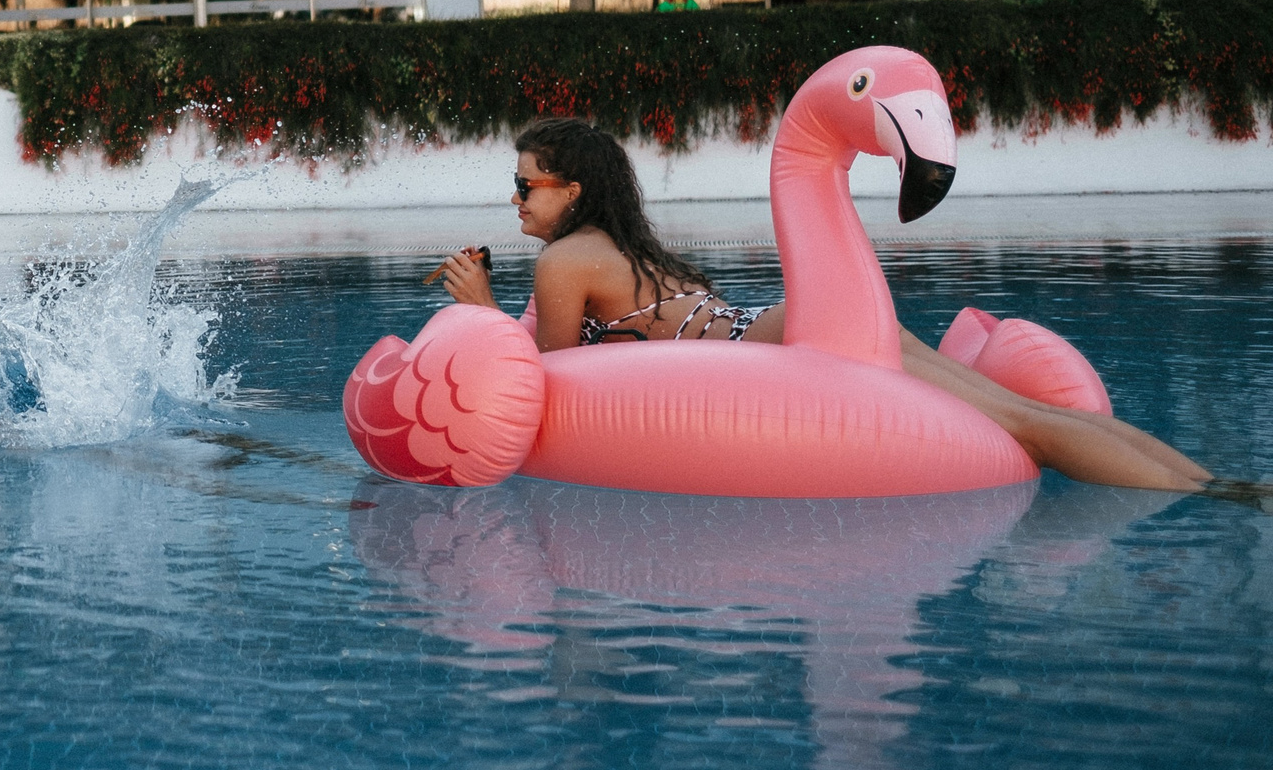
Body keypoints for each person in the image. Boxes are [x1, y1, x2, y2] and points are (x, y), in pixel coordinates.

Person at [424, 115, 1217, 495]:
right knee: (1020, 413)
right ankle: (1212, 485)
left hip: (783, 342)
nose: (516, 199)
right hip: (802, 313)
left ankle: (1198, 498)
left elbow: (552, 386)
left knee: (1025, 427)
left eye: (527, 183)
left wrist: (486, 307)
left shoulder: (565, 260)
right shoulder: (632, 250)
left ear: (573, 190)